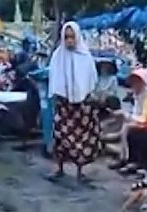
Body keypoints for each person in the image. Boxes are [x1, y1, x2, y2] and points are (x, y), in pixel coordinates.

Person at [47, 21, 101, 183]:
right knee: (60, 136)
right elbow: (54, 78)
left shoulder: (85, 57)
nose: (69, 41)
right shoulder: (58, 56)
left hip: (83, 106)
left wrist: (85, 95)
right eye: (66, 37)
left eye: (72, 37)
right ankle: (59, 168)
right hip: (64, 105)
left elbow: (91, 79)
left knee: (82, 137)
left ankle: (80, 170)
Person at [110, 67, 147, 172]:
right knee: (126, 124)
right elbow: (136, 112)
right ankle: (125, 157)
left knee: (127, 127)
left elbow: (144, 118)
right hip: (140, 121)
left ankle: (126, 158)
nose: (134, 84)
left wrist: (126, 115)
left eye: (137, 81)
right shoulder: (136, 94)